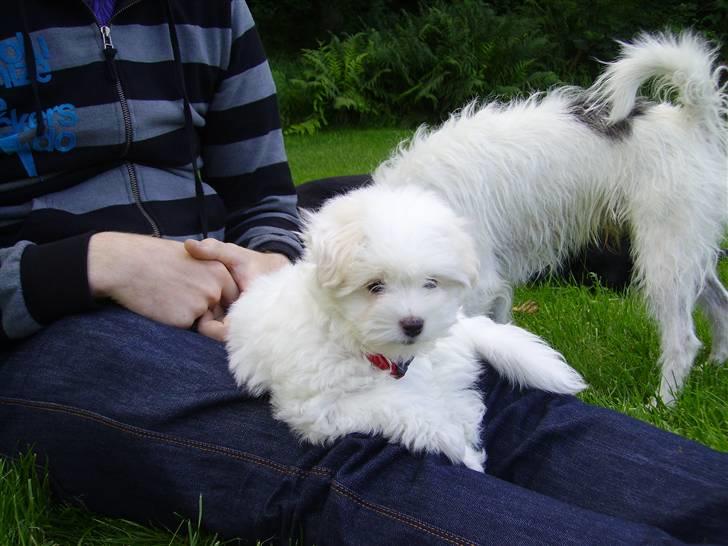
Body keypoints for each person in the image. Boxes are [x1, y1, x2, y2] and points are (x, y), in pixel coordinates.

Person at [0, 1, 726, 544]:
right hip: (53, 318)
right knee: (348, 451)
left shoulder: (211, 9)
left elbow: (262, 195)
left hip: (238, 288)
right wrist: (92, 263)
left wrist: (272, 261)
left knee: (495, 394)